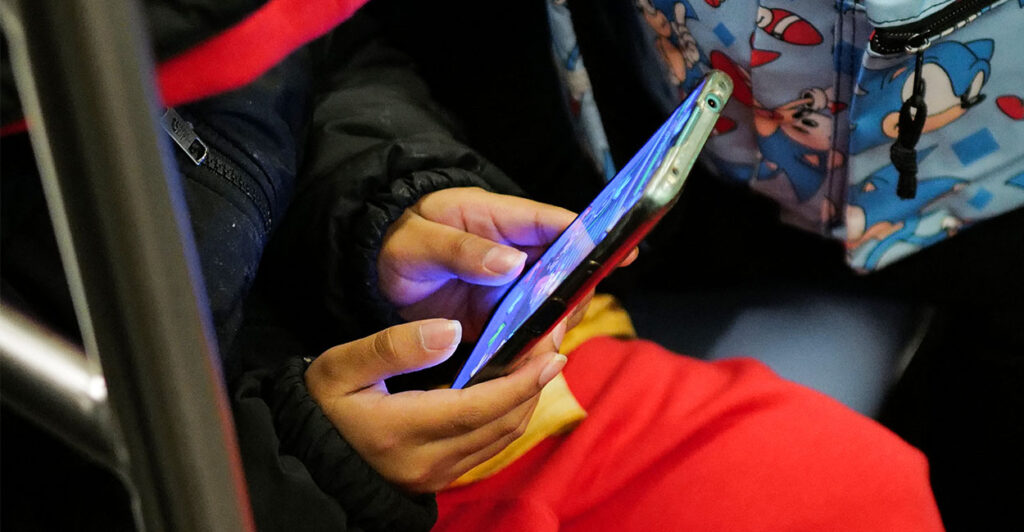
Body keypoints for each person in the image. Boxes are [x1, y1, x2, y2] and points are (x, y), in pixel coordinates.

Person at [2, 3, 943, 531]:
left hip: (354, 371)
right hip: (224, 479)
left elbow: (315, 60)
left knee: (848, 491)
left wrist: (394, 207)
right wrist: (304, 466)